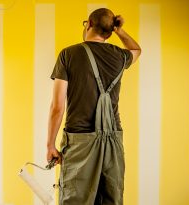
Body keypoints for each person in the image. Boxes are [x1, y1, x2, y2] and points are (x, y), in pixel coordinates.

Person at [46, 8, 141, 205]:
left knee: (75, 200)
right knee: (110, 199)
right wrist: (119, 31)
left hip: (80, 141)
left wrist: (50, 144)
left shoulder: (69, 54)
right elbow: (136, 50)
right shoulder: (120, 56)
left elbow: (57, 106)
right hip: (113, 140)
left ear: (88, 23)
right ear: (109, 30)